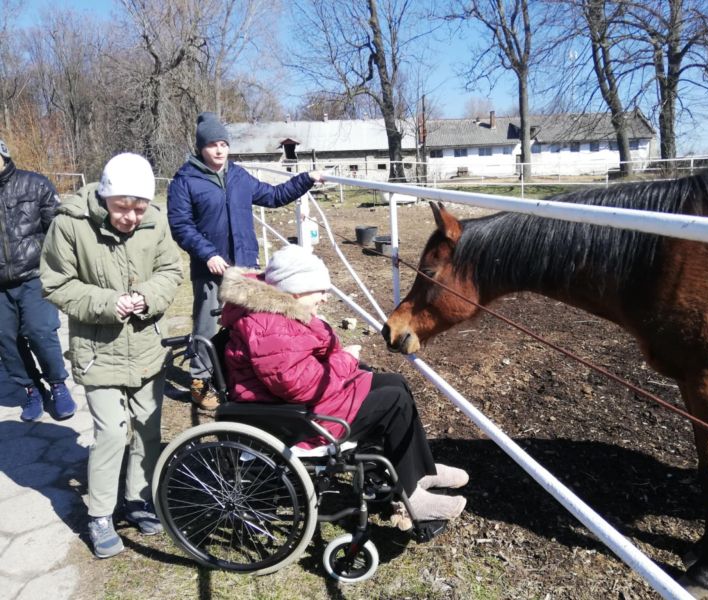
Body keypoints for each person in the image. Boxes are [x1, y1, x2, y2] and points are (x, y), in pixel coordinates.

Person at [219, 244, 469, 523]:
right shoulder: (269, 326)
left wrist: (340, 357)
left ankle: (422, 472)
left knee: (394, 383)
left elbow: (305, 366)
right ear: (297, 290)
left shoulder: (280, 314)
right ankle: (410, 495)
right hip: (296, 418)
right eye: (320, 290)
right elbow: (303, 386)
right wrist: (346, 360)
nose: (325, 298)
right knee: (393, 403)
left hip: (303, 402)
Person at [40, 153, 183, 559]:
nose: (131, 216)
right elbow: (55, 283)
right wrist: (107, 303)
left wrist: (147, 297)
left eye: (139, 207)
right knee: (112, 433)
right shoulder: (69, 224)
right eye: (122, 207)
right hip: (97, 350)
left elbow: (170, 271)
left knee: (148, 429)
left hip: (145, 346)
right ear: (104, 197)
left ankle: (138, 499)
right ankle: (100, 514)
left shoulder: (155, 222)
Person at [167, 112, 322, 411]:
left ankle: (239, 374)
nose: (220, 149)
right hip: (210, 268)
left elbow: (274, 196)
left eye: (224, 143)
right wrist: (207, 253)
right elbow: (180, 224)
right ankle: (200, 381)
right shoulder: (185, 180)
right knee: (207, 325)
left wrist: (306, 180)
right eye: (213, 144)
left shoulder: (239, 176)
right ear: (201, 147)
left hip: (245, 265)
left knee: (247, 323)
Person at [0, 138, 76, 422]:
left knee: (40, 332)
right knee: (7, 342)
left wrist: (61, 270)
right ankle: (31, 390)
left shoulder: (35, 185)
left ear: (4, 154)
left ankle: (57, 384)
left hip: (34, 275)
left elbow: (58, 231)